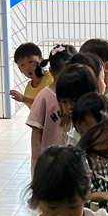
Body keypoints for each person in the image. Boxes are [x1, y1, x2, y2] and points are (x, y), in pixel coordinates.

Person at [27, 44, 76, 172]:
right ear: (52, 72)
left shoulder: (80, 94)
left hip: (74, 164)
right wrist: (36, 168)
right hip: (50, 165)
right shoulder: (44, 97)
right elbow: (36, 138)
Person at [55, 64, 100, 139]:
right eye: (64, 101)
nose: (69, 107)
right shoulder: (71, 125)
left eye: (75, 100)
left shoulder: (101, 127)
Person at [10, 43, 53, 108]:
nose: (27, 68)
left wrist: (24, 98)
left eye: (30, 61)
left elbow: (49, 102)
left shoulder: (51, 78)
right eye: (22, 65)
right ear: (20, 69)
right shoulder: (28, 89)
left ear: (41, 60)